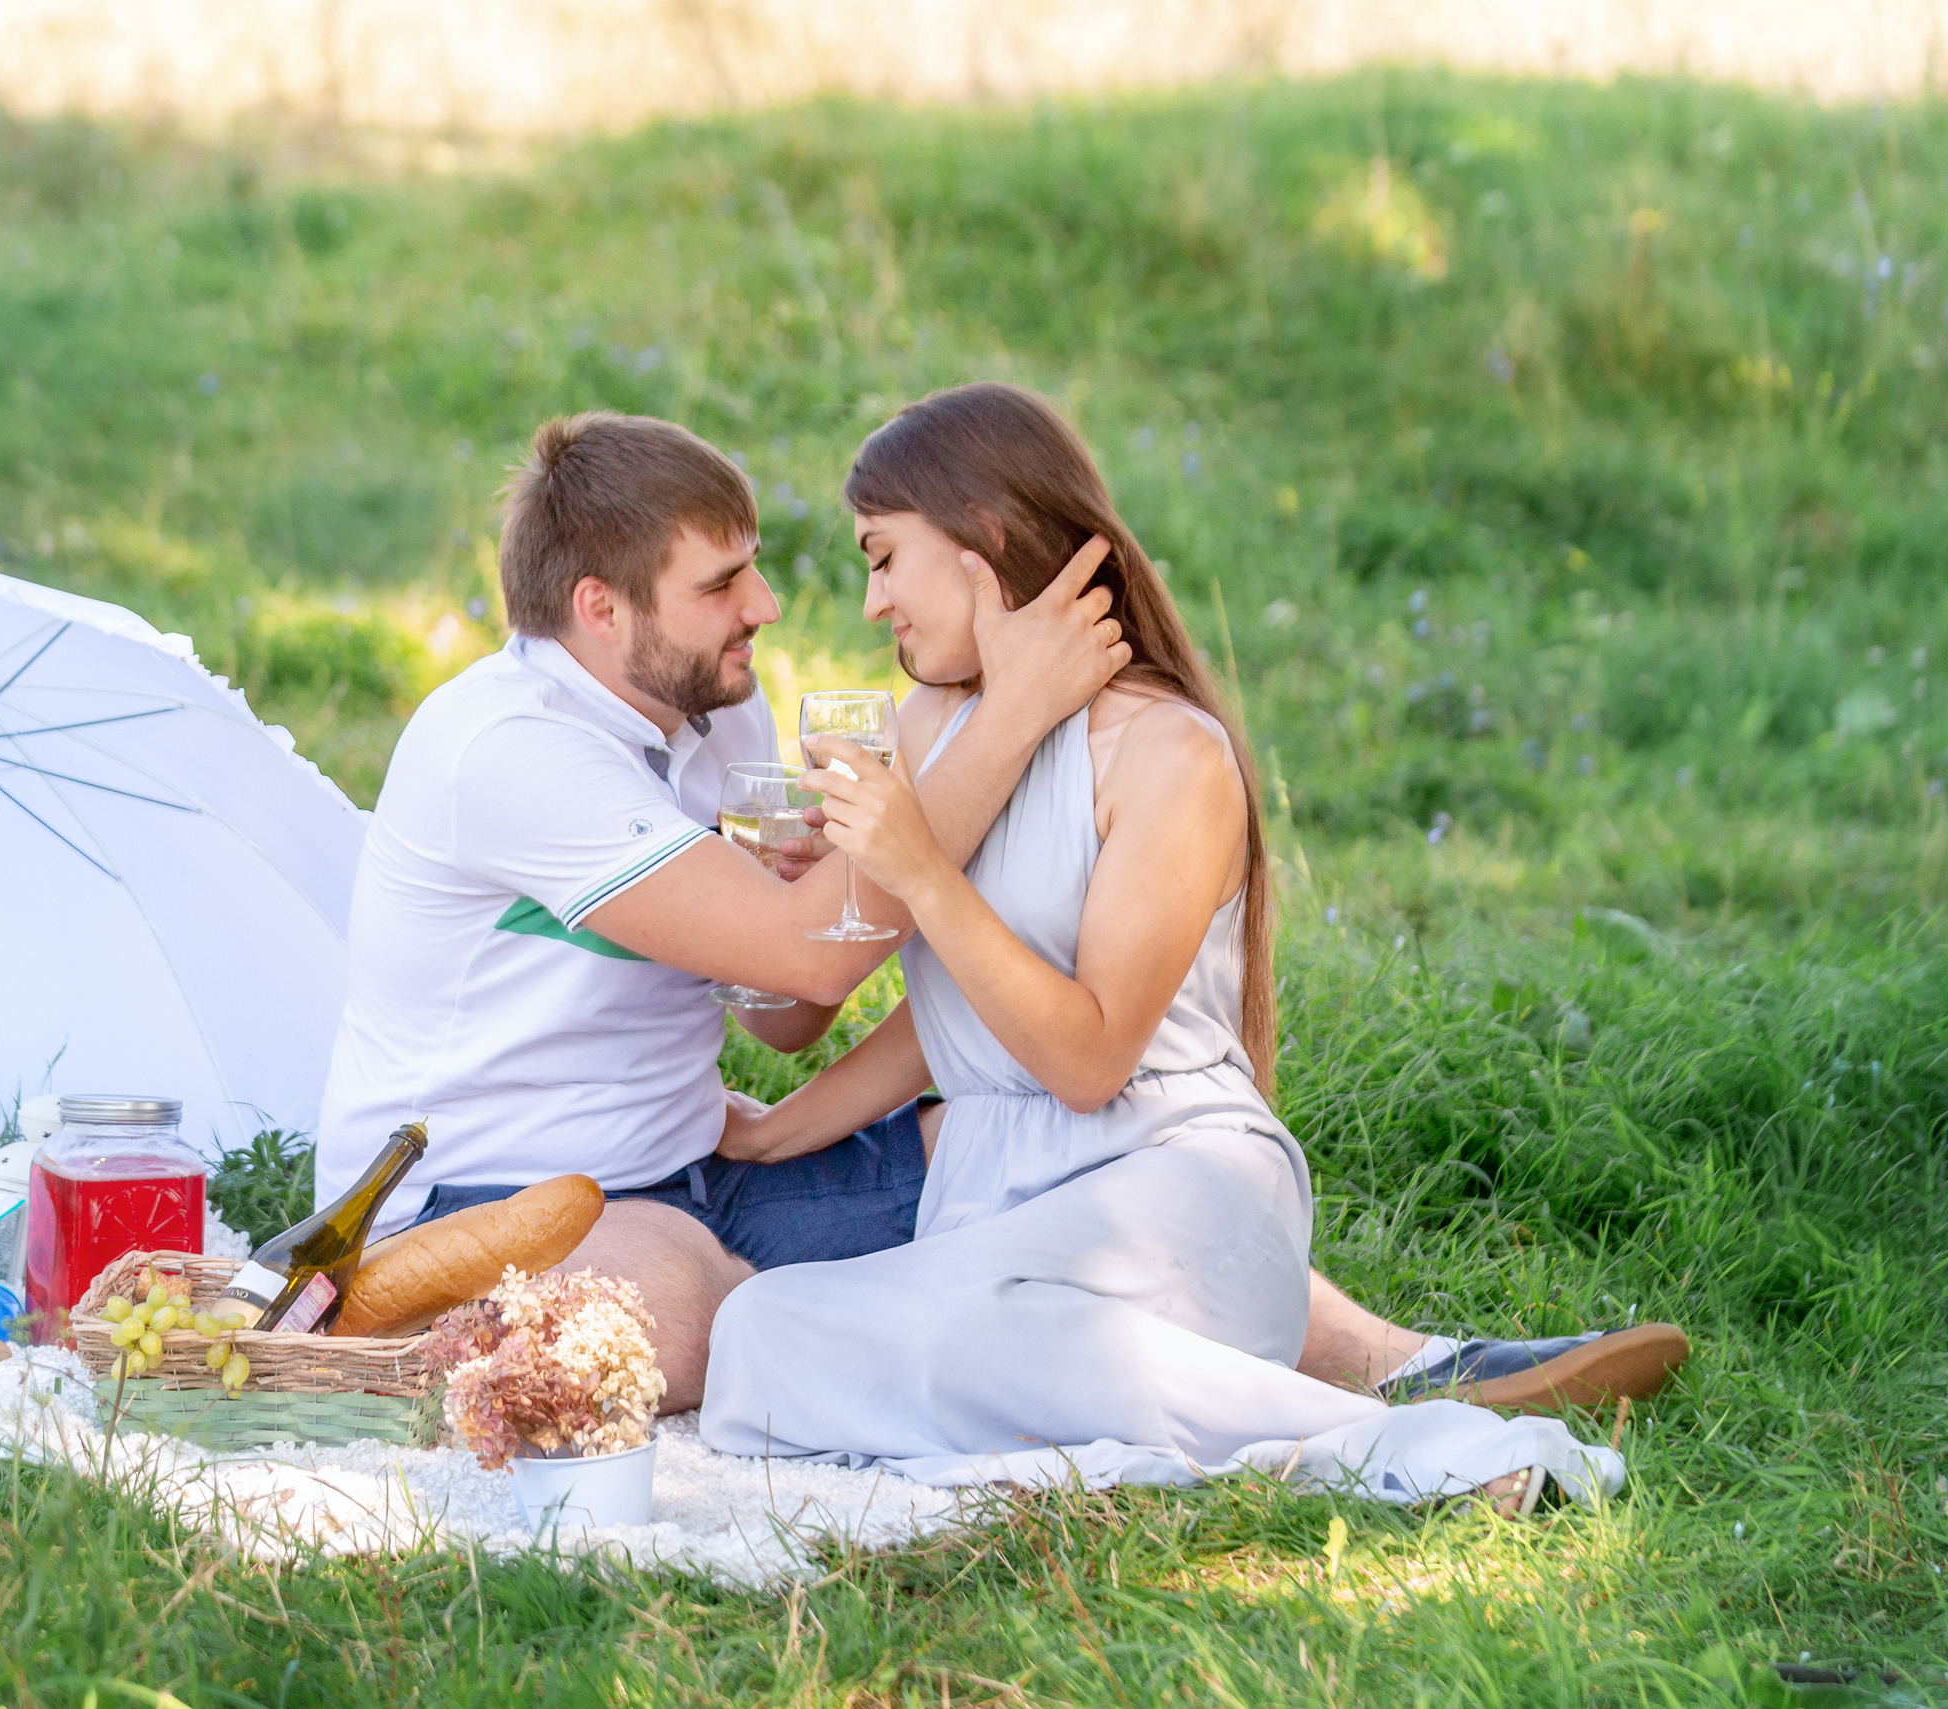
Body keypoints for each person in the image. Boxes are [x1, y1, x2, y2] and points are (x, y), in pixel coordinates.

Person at [316, 408, 1686, 1423]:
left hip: (694, 1163)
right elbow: (817, 949)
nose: (773, 607)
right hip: (482, 1194)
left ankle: (1399, 1363)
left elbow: (791, 1009)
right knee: (699, 1306)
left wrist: (820, 918)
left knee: (1040, 1160)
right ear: (600, 609)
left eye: (763, 568)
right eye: (723, 584)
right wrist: (994, 735)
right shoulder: (503, 747)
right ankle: (996, 1362)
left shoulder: (719, 727)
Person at [698, 383, 1671, 1508]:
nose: (872, 603)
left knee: (947, 1337)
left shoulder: (1167, 751)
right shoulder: (928, 727)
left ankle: (1427, 1452)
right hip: (991, 1204)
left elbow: (1087, 1058)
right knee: (763, 1333)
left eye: (883, 557)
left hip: (1171, 1185)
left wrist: (918, 866)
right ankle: (1271, 1415)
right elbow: (953, 1013)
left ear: (983, 544)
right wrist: (776, 1134)